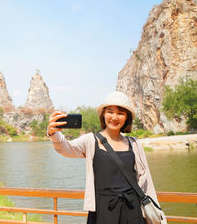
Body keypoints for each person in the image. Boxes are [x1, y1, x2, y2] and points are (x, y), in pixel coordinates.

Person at [47, 91, 166, 224]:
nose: (114, 117)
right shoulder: (91, 141)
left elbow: (146, 181)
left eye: (120, 113)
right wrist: (53, 133)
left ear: (127, 117)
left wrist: (156, 211)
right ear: (103, 114)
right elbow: (65, 148)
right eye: (110, 111)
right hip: (102, 210)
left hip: (132, 210)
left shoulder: (135, 144)